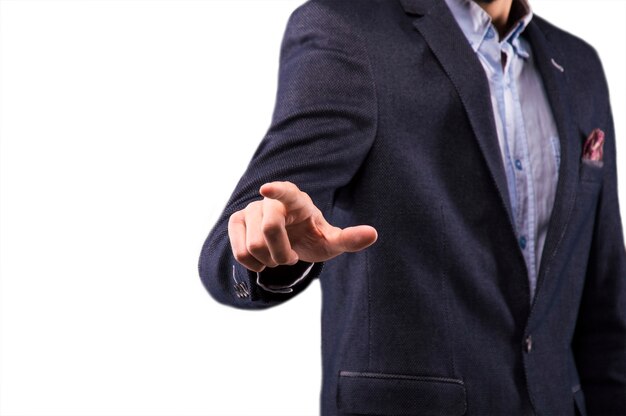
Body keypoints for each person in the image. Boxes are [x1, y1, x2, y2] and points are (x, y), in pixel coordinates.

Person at [198, 0, 626, 414]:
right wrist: (270, 250)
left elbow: (605, 305)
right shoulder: (347, 31)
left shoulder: (580, 65)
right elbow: (228, 249)